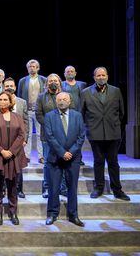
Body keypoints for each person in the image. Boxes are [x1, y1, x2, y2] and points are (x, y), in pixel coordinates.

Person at [81, 67, 130, 201]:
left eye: (103, 75)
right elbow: (82, 113)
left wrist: (113, 124)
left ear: (107, 76)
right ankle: (99, 188)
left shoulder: (116, 91)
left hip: (113, 132)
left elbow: (121, 113)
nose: (101, 77)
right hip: (95, 133)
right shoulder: (85, 93)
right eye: (98, 75)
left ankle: (117, 190)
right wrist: (90, 126)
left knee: (113, 162)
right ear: (94, 77)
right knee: (98, 162)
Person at [0, 91, 27, 225]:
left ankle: (13, 212)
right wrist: (2, 151)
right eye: (0, 99)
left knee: (13, 186)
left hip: (14, 156)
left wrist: (11, 151)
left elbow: (22, 134)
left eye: (5, 99)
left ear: (10, 102)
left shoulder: (17, 116)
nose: (2, 102)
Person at [44, 92, 85, 227]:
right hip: (55, 158)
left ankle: (73, 215)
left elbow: (81, 137)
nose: (61, 101)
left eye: (64, 99)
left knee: (72, 188)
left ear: (70, 101)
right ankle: (52, 214)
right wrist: (62, 153)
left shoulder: (77, 116)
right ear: (56, 101)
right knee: (54, 188)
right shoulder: (49, 116)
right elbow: (49, 137)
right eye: (59, 99)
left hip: (73, 159)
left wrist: (70, 153)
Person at [36, 73, 69, 198]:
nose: (53, 82)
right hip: (47, 136)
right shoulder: (41, 97)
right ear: (46, 83)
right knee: (47, 163)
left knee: (63, 162)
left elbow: (71, 112)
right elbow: (39, 114)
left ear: (60, 82)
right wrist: (50, 127)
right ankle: (47, 188)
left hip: (64, 135)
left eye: (55, 80)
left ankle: (63, 187)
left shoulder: (65, 96)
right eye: (50, 81)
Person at [17, 59, 47, 164]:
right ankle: (26, 156)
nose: (32, 68)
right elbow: (19, 96)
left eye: (34, 66)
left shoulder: (44, 80)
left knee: (40, 134)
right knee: (27, 134)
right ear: (27, 68)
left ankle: (41, 156)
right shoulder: (22, 81)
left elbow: (46, 95)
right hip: (27, 111)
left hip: (39, 111)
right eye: (30, 66)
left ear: (38, 68)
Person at [3, 77, 29, 198]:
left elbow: (25, 121)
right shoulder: (0, 100)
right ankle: (3, 189)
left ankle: (19, 189)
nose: (9, 87)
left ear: (15, 87)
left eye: (11, 86)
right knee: (2, 165)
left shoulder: (22, 102)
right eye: (6, 86)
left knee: (18, 165)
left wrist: (25, 138)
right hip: (3, 139)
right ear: (4, 87)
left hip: (18, 139)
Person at [62, 65, 87, 166]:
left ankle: (78, 158)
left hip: (79, 115)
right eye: (67, 72)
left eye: (72, 71)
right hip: (65, 114)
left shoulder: (82, 85)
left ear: (75, 73)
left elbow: (85, 100)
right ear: (64, 74)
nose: (70, 73)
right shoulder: (62, 84)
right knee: (66, 137)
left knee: (78, 138)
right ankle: (66, 156)